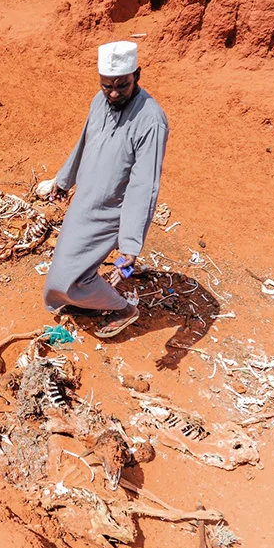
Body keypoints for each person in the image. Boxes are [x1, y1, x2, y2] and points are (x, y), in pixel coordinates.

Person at [37, 41, 169, 338]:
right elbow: (84, 141)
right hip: (85, 200)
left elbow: (144, 185)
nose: (113, 94)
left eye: (122, 86)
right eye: (107, 86)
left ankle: (123, 309)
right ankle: (88, 299)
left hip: (111, 211)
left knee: (68, 279)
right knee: (65, 268)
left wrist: (130, 246)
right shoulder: (100, 101)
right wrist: (64, 180)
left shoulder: (151, 120)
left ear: (137, 74)